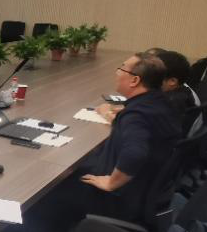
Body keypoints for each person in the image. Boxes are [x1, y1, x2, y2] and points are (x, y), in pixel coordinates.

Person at [77, 52, 182, 222]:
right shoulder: (160, 102)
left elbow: (135, 154)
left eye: (121, 68)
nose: (117, 72)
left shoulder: (136, 115)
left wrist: (111, 183)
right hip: (146, 187)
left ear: (134, 80)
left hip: (119, 199)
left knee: (60, 183)